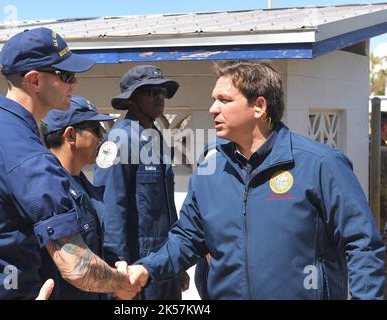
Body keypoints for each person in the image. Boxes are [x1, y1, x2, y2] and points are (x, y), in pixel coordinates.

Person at [126, 60, 385, 300]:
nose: (213, 108)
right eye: (214, 99)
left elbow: (363, 245)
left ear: (259, 106)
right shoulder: (209, 170)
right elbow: (186, 239)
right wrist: (146, 269)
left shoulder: (321, 164)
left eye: (224, 100)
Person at [0, 27, 139, 300]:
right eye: (66, 76)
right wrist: (120, 281)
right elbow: (77, 268)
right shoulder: (32, 158)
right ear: (34, 80)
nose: (75, 84)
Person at [94, 65, 189, 299]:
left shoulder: (156, 139)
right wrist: (118, 269)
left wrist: (177, 265)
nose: (159, 97)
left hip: (162, 264)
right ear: (132, 100)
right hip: (136, 268)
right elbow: (112, 208)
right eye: (150, 91)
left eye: (162, 92)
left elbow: (167, 209)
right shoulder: (120, 139)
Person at [39, 96, 117, 299]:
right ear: (71, 135)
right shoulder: (48, 188)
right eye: (95, 130)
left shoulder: (79, 182)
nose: (101, 138)